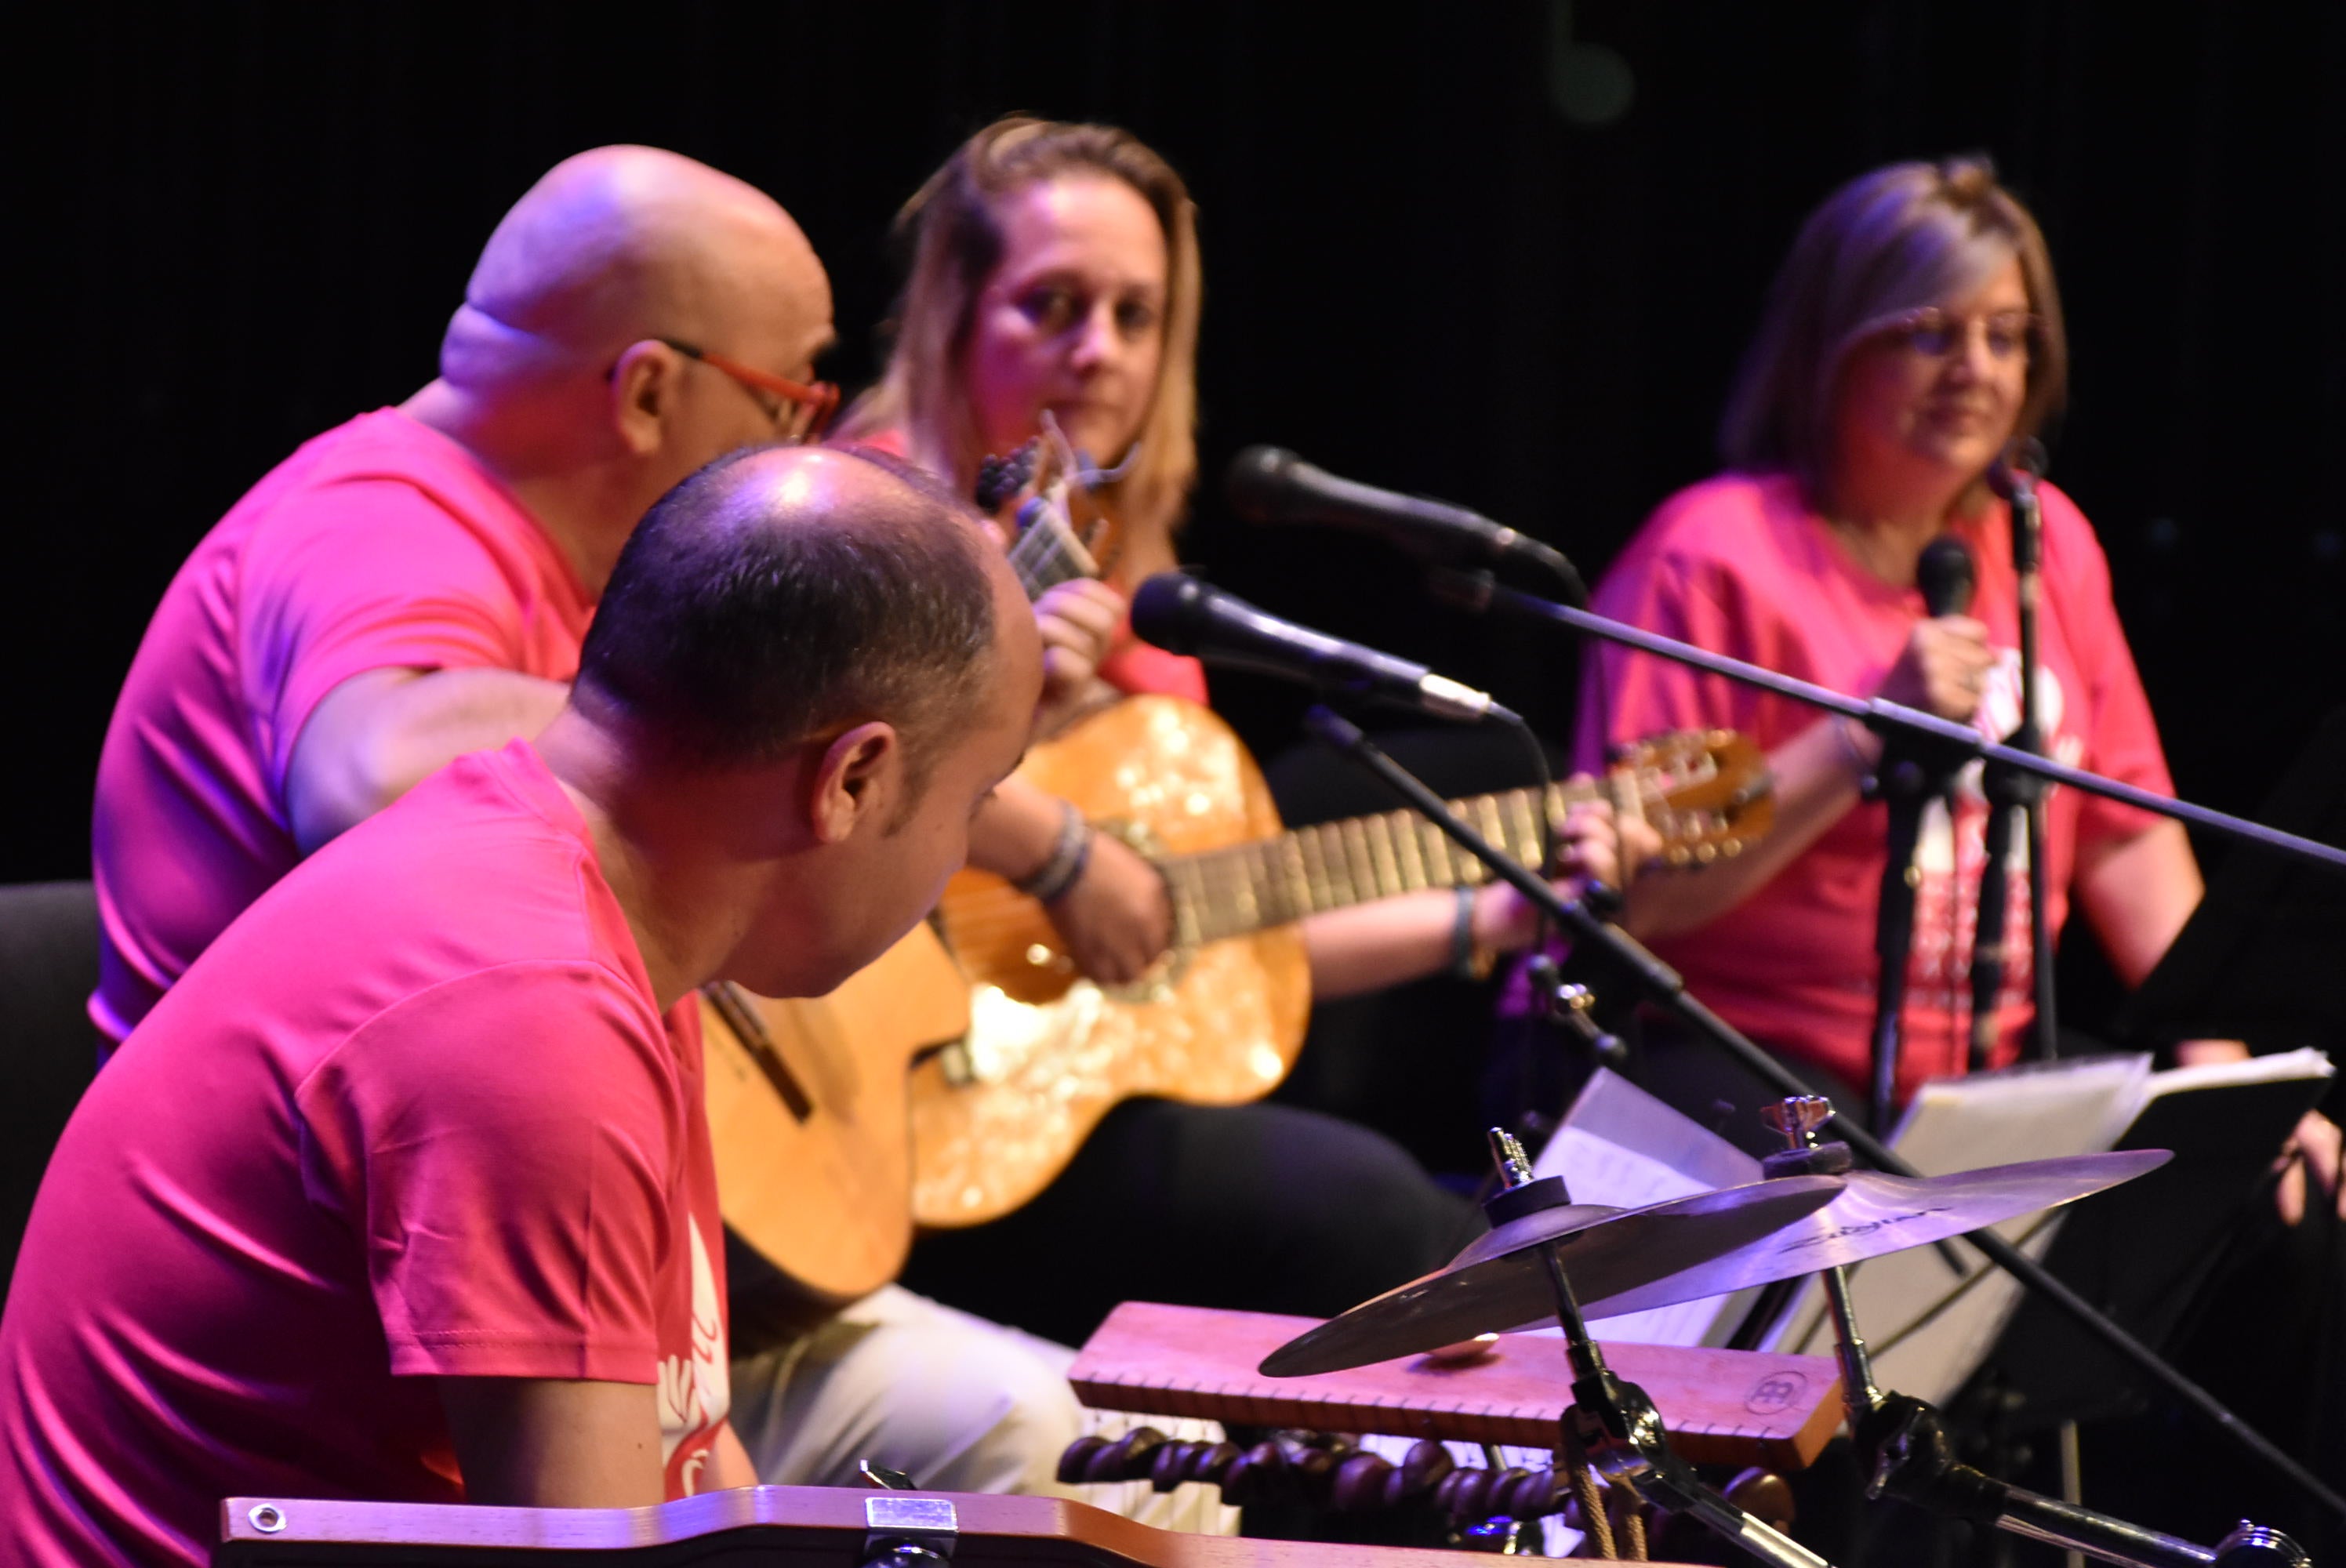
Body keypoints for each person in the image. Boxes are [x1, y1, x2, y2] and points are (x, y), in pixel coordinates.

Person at [76, 146, 1219, 1519]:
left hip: (461, 1303)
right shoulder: (388, 536)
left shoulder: (641, 914)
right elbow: (367, 764)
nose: (813, 438)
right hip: (403, 1289)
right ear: (649, 389)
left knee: (1106, 1481)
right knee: (1073, 1461)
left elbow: (687, 1467)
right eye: (795, 396)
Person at [0, 445, 1040, 1567]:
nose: (955, 856)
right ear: (853, 780)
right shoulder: (536, 1019)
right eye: (972, 800)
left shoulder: (615, 906)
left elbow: (685, 1457)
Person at [804, 117, 1642, 1358]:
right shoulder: (849, 516)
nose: (1098, 351)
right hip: (879, 1111)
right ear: (953, 313)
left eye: (1136, 317)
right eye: (1053, 305)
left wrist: (1504, 912)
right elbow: (808, 793)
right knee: (1368, 1221)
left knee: (1466, 1235)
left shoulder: (1138, 601)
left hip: (1047, 1110)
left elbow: (1203, 916)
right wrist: (1017, 737)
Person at [1573, 156, 2339, 1218]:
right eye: (1931, 332)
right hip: (1743, 1063)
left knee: (2270, 1201)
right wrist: (1862, 736)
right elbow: (1639, 905)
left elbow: (2123, 830)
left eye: (2008, 336)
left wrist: (2233, 1079)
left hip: (1987, 1066)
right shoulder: (1708, 557)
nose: (1976, 369)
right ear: (1830, 347)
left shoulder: (2046, 541)